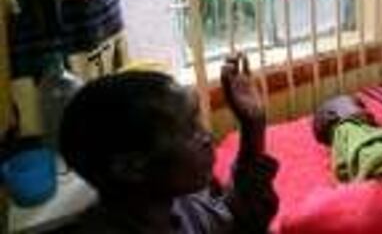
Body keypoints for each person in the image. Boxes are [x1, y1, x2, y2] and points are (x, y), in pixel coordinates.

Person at [58, 56, 279, 233]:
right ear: (132, 166)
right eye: (190, 128)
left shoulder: (177, 205)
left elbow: (229, 217)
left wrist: (253, 125)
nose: (208, 138)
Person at [312, 94, 382, 183]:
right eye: (358, 106)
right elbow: (368, 152)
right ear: (334, 115)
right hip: (378, 168)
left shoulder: (353, 128)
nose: (366, 111)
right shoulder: (345, 127)